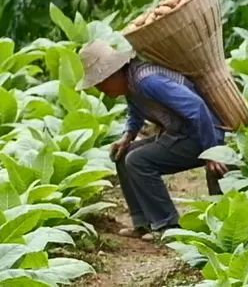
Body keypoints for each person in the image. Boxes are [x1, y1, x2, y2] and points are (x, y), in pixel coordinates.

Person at [78, 40, 228, 241]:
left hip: (202, 135)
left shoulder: (148, 81)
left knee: (138, 160)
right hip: (181, 134)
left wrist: (212, 151)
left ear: (112, 74)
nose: (99, 88)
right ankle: (143, 223)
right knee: (122, 156)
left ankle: (168, 225)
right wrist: (127, 137)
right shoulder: (131, 84)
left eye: (100, 82)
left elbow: (197, 108)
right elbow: (136, 111)